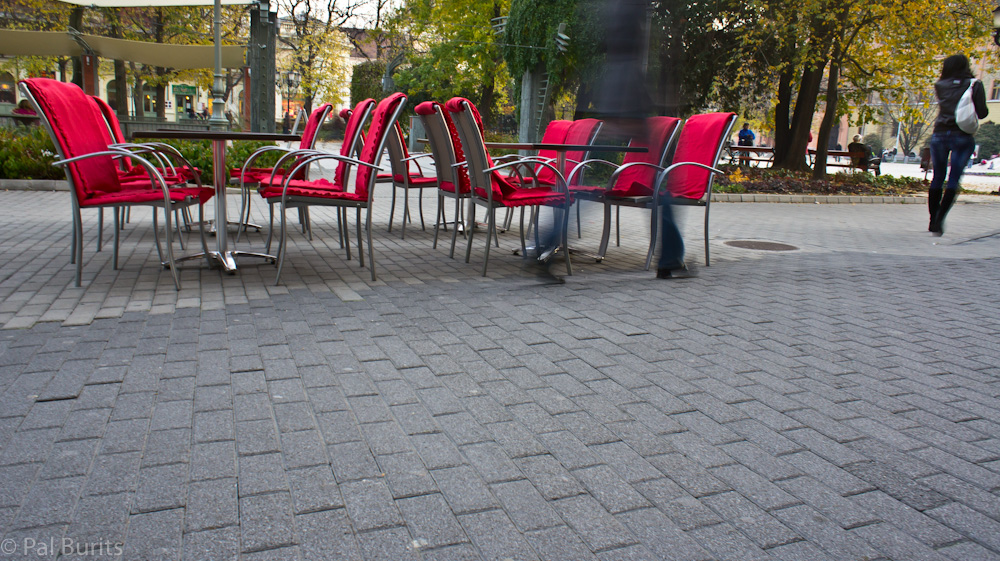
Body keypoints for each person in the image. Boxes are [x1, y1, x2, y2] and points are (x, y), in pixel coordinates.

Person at [927, 54, 988, 235]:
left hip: (939, 134)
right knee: (954, 178)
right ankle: (940, 219)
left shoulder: (940, 85)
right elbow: (983, 112)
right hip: (962, 136)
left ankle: (932, 219)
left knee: (938, 177)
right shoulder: (974, 85)